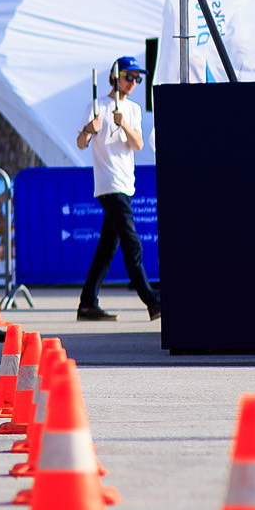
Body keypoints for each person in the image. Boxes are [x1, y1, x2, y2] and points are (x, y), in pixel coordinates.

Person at [75, 55, 160, 322]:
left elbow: (137, 145)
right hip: (109, 184)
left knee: (107, 248)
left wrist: (123, 123)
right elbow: (80, 142)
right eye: (129, 76)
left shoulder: (132, 110)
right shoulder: (97, 105)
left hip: (125, 184)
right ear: (115, 76)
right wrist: (89, 129)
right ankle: (151, 300)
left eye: (137, 78)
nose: (134, 82)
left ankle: (87, 304)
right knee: (132, 243)